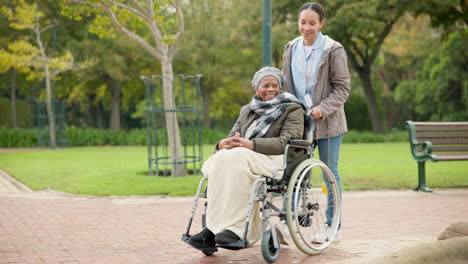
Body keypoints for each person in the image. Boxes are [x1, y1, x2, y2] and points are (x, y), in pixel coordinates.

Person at [187, 67, 304, 251]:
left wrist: (251, 144)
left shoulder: (292, 108)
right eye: (265, 85)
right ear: (257, 88)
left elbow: (286, 142)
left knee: (236, 158)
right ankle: (213, 229)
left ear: (281, 88)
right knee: (224, 156)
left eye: (275, 85)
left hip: (273, 158)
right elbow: (234, 135)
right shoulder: (247, 110)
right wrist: (222, 143)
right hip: (242, 156)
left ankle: (237, 231)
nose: (271, 89)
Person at [282, 2, 350, 242]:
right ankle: (289, 219)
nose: (306, 27)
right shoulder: (291, 47)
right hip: (300, 123)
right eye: (303, 22)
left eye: (312, 23)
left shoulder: (333, 49)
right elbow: (286, 85)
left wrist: (323, 108)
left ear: (321, 23)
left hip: (328, 123)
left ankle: (332, 225)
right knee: (293, 171)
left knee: (329, 172)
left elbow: (342, 88)